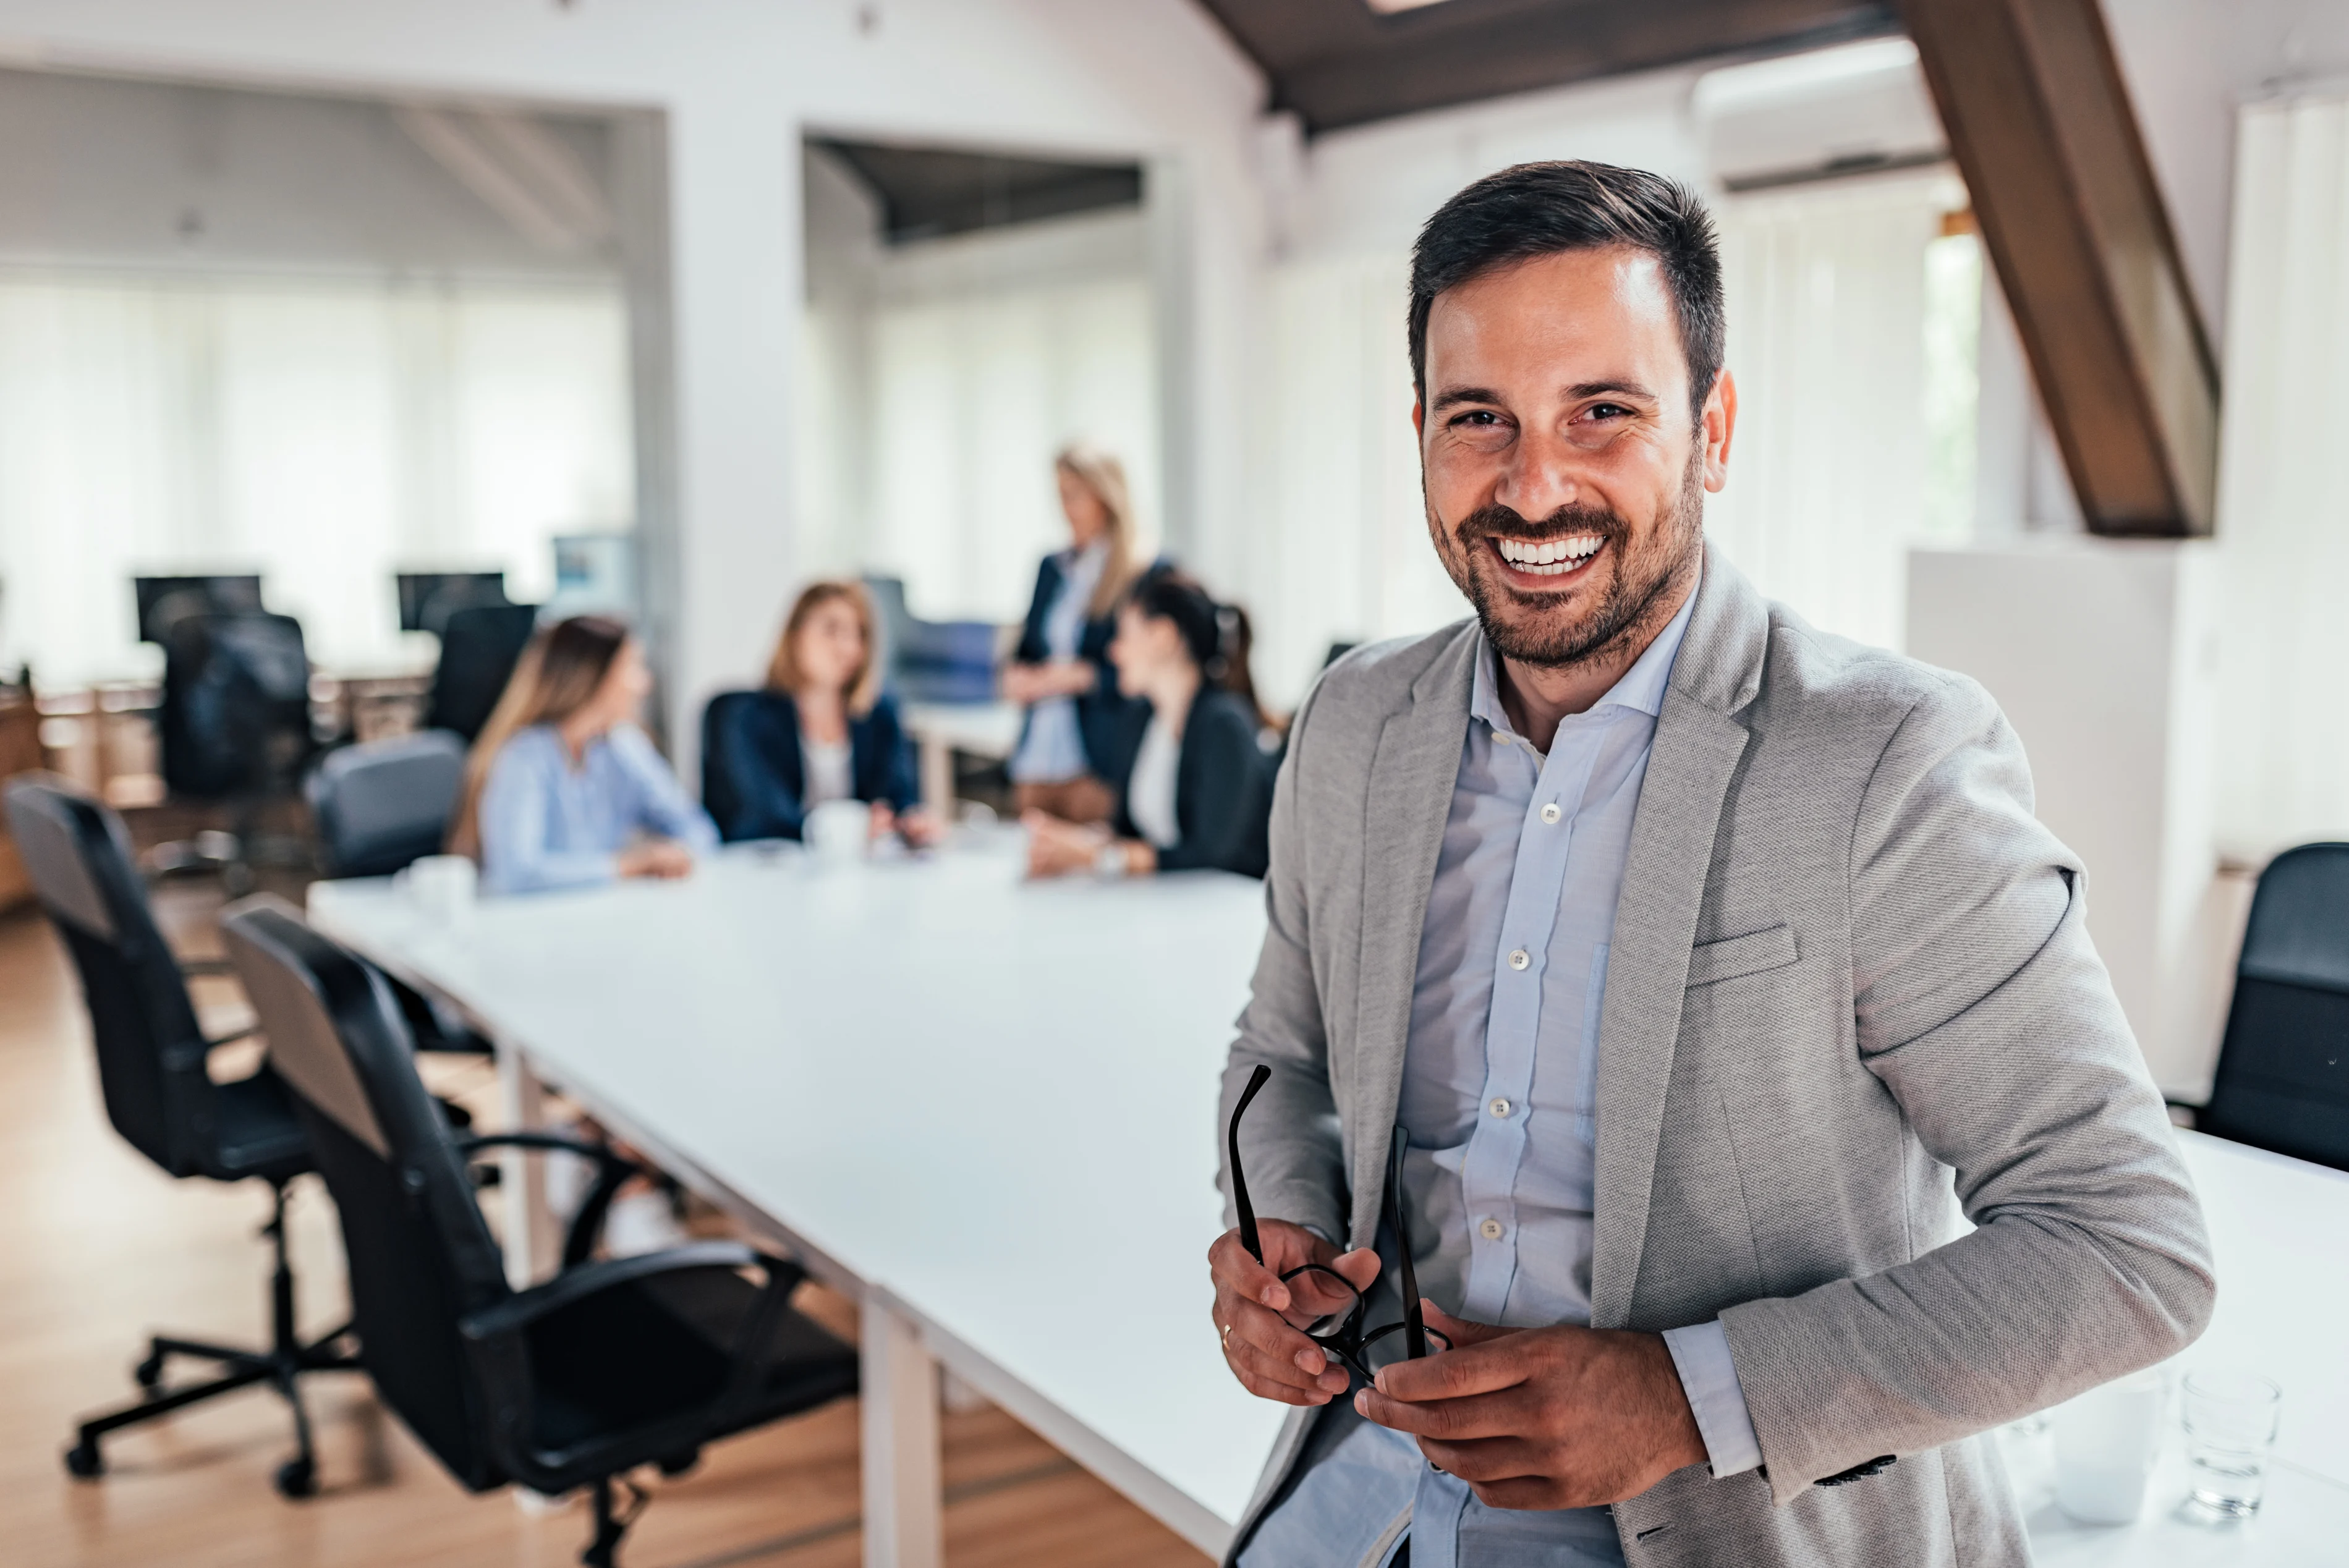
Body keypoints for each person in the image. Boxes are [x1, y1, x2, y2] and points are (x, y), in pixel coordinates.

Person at [1208, 161, 2211, 1568]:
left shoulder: (1883, 760)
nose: (1531, 480)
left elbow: (2125, 1249)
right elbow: (1282, 1053)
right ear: (1420, 438)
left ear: (1712, 429)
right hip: (1358, 1487)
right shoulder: (1355, 721)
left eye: (1600, 412)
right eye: (1475, 419)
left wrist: (1688, 1396)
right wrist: (1285, 1234)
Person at [1025, 568, 1273, 880]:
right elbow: (1127, 831)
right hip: (1164, 905)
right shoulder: (1141, 719)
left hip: (1226, 906)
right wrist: (1074, 843)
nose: (1114, 652)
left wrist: (1101, 858)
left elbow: (1213, 855)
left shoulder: (1224, 725)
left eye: (1124, 635)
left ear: (1163, 637)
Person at [448, 614, 716, 896]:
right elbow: (517, 874)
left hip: (600, 911)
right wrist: (627, 866)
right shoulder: (524, 757)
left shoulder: (624, 745)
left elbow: (697, 828)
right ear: (594, 677)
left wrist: (677, 854)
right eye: (633, 667)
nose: (645, 683)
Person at [706, 580, 938, 846]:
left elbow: (899, 797)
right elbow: (761, 816)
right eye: (832, 630)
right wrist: (853, 827)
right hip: (767, 870)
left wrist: (911, 822)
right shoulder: (740, 716)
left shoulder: (878, 715)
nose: (848, 648)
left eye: (859, 634)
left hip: (855, 875)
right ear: (795, 635)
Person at [1000, 444, 1145, 824]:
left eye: (1074, 495)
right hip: (1037, 759)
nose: (1065, 508)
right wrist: (1017, 676)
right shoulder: (1052, 567)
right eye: (1060, 495)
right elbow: (1029, 649)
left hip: (1094, 763)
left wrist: (1080, 677)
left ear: (1106, 497)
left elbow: (1145, 672)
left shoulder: (1138, 573)